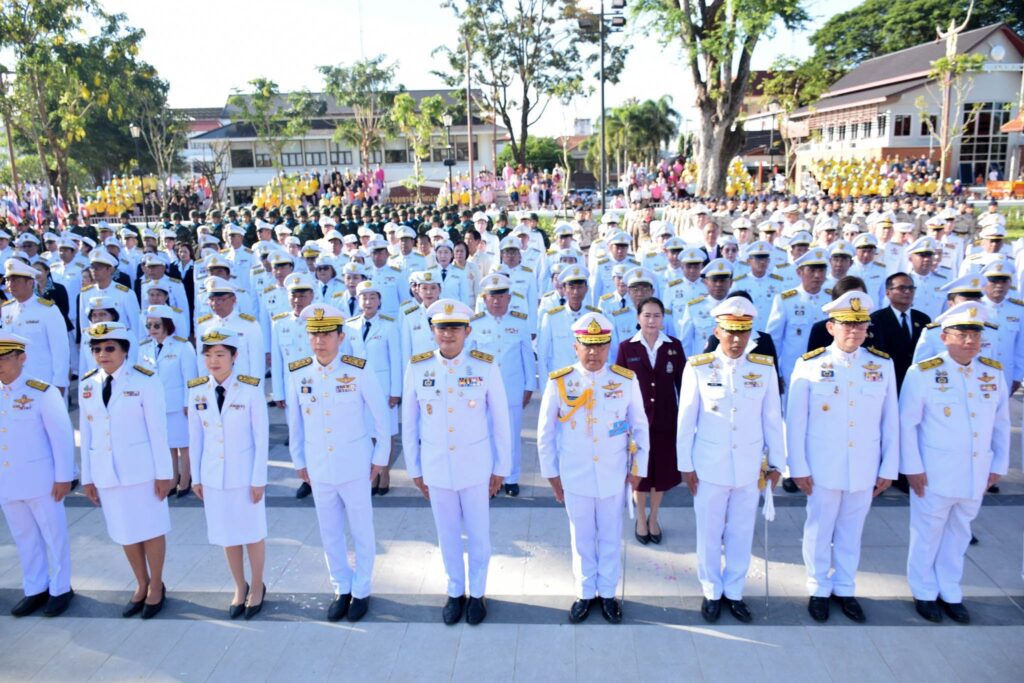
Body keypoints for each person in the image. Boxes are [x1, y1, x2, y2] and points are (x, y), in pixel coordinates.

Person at [786, 292, 898, 623]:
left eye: (860, 325)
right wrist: (797, 467)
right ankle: (819, 588)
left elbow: (890, 421)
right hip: (822, 465)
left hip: (864, 464)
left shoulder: (882, 365)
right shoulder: (809, 365)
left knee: (852, 530)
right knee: (820, 529)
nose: (854, 331)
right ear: (831, 327)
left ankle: (845, 587)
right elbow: (796, 422)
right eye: (847, 324)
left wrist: (889, 466)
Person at [402, 298, 512, 626]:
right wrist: (414, 468)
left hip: (475, 465)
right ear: (432, 331)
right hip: (436, 466)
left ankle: (477, 593)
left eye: (454, 328)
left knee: (478, 534)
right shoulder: (417, 367)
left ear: (467, 331)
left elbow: (501, 421)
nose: (447, 334)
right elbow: (409, 423)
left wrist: (501, 467)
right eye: (441, 328)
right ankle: (454, 590)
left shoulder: (485, 366)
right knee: (447, 533)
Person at [537, 311, 649, 624]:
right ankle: (585, 592)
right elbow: (545, 433)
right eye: (587, 346)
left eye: (600, 346)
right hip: (575, 474)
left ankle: (608, 593)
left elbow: (640, 426)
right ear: (576, 346)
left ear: (608, 346)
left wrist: (638, 468)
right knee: (582, 537)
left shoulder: (624, 380)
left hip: (614, 472)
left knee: (611, 535)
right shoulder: (560, 381)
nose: (593, 352)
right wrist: (551, 474)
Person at [676, 296, 784, 623]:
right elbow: (686, 419)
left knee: (741, 531)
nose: (737, 339)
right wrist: (686, 465)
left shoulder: (763, 368)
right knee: (709, 532)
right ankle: (711, 590)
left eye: (743, 332)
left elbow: (772, 418)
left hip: (749, 466)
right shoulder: (698, 367)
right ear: (717, 331)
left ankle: (734, 591)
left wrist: (777, 463)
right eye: (730, 331)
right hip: (709, 465)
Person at [900, 302, 1009, 624]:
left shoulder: (992, 372)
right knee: (928, 533)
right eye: (962, 334)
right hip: (934, 471)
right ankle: (923, 591)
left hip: (976, 471)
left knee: (960, 532)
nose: (970, 341)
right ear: (945, 337)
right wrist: (912, 468)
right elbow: (907, 424)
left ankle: (949, 589)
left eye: (975, 334)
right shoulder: (923, 372)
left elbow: (1001, 424)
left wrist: (998, 465)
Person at [288, 303, 390, 622]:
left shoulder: (357, 369)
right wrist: (298, 460)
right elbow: (295, 423)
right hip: (319, 465)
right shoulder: (299, 372)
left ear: (341, 337)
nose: (319, 341)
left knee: (361, 530)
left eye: (327, 335)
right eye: (314, 335)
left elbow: (381, 417)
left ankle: (361, 590)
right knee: (329, 532)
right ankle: (341, 587)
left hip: (355, 463)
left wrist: (380, 457)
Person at [79, 321, 173, 619]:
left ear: (125, 351)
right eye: (96, 349)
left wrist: (164, 473)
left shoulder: (145, 380)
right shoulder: (88, 384)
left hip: (142, 471)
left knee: (151, 528)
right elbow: (87, 433)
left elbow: (158, 431)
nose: (102, 355)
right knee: (125, 531)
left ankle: (156, 584)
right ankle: (141, 582)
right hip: (106, 472)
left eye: (109, 348)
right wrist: (88, 476)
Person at [188, 326, 269, 620]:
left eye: (220, 354)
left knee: (252, 532)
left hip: (245, 476)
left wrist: (258, 479)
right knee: (227, 534)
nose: (214, 361)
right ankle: (239, 585)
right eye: (208, 355)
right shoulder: (197, 389)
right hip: (213, 476)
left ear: (234, 356)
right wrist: (196, 477)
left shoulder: (250, 388)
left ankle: (257, 585)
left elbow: (261, 438)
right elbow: (195, 437)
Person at [0, 332, 75, 617]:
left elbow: (62, 438)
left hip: (41, 479)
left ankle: (60, 588)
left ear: (22, 358)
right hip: (7, 481)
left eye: (4, 358)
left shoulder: (42, 392)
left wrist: (64, 476)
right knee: (24, 537)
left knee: (54, 536)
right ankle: (35, 588)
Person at [615, 297, 683, 544]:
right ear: (638, 318)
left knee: (660, 472)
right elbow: (618, 387)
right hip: (636, 422)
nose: (652, 320)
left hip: (666, 421)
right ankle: (641, 518)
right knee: (639, 471)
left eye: (656, 315)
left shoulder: (674, 346)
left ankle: (654, 517)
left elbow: (683, 385)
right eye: (647, 315)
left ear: (663, 319)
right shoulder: (626, 347)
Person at [468, 273, 537, 497]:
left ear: (509, 298)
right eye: (492, 296)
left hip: (512, 389)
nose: (496, 301)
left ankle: (511, 478)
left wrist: (529, 386)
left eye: (501, 296)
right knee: (485, 435)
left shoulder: (519, 322)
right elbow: (470, 358)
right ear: (484, 299)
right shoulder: (475, 323)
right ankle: (489, 477)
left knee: (511, 436)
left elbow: (527, 356)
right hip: (483, 391)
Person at [344, 280, 402, 495]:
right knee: (366, 432)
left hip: (383, 388)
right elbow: (346, 359)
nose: (368, 301)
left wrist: (396, 392)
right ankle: (371, 474)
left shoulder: (389, 325)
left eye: (372, 297)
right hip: (358, 389)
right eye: (364, 297)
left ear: (379, 301)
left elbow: (396, 360)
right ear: (358, 300)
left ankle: (384, 474)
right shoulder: (349, 325)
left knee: (385, 432)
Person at [138, 305, 198, 498]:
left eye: (157, 325)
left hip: (178, 404)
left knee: (184, 445)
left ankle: (186, 479)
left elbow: (190, 378)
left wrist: (189, 403)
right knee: (166, 444)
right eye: (149, 325)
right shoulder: (144, 347)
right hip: (155, 405)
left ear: (167, 325)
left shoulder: (182, 346)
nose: (152, 329)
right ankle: (172, 478)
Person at [1, 258, 70, 394]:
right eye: (8, 280)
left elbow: (60, 349)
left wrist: (60, 383)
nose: (10, 284)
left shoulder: (48, 310)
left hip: (42, 379)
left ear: (30, 283)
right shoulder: (7, 309)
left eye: (16, 280)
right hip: (14, 380)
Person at [869, 273, 931, 392]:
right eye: (902, 288)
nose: (907, 292)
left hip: (918, 381)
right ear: (888, 292)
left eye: (911, 288)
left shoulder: (923, 319)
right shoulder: (876, 320)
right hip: (889, 380)